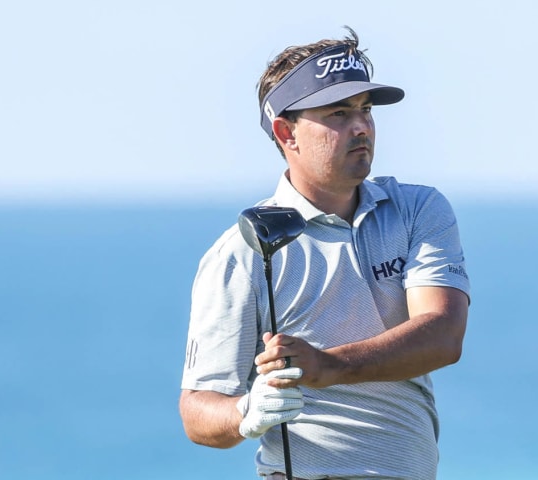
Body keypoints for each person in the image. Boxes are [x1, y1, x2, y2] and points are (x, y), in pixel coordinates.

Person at [179, 27, 470, 480]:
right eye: (338, 113)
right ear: (285, 132)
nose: (361, 126)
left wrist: (327, 365)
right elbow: (198, 411)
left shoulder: (418, 210)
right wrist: (246, 411)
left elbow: (443, 335)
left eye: (366, 110)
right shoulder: (241, 252)